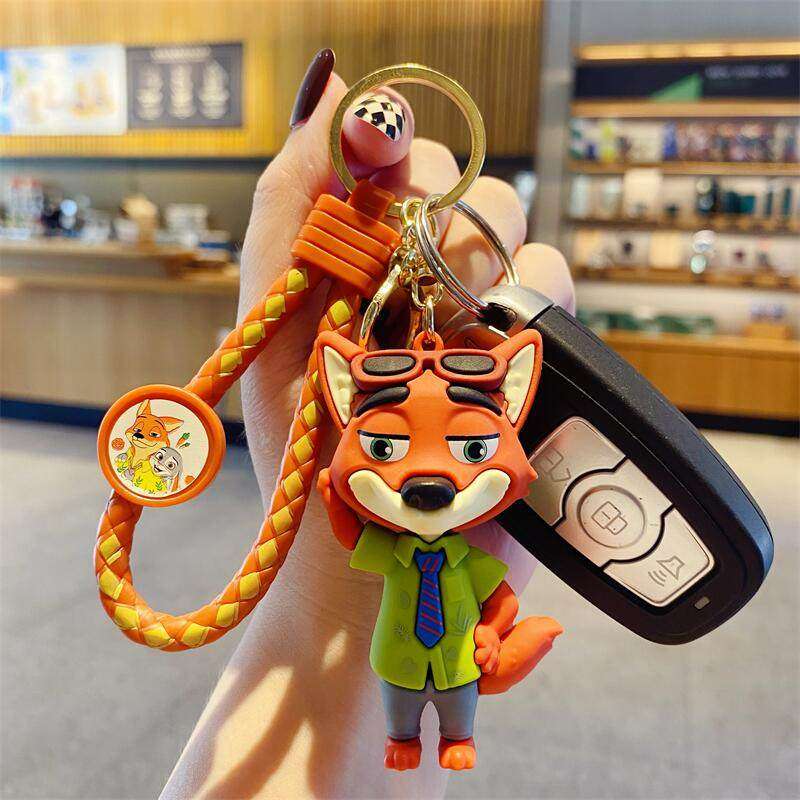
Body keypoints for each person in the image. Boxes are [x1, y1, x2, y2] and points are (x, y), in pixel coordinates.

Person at [160, 48, 574, 799]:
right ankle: (404, 736)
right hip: (391, 664)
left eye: (470, 445)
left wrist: (491, 626)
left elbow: (478, 592)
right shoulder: (382, 533)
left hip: (423, 658)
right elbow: (349, 529)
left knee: (449, 702)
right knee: (403, 709)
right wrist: (326, 563)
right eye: (384, 445)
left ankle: (445, 736)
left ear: (511, 401)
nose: (425, 482)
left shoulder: (433, 548)